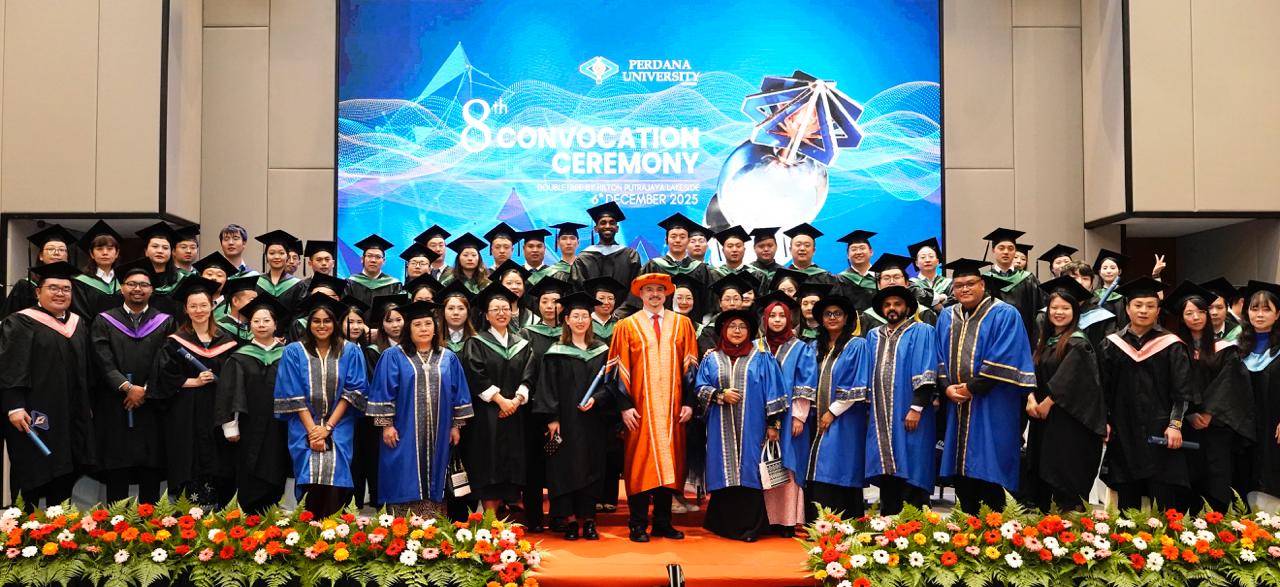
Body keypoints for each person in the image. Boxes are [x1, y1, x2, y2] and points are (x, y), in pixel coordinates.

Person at [936, 259, 1036, 512]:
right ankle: (966, 521)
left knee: (991, 463)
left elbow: (1006, 357)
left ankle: (995, 523)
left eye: (970, 283)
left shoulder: (1005, 314)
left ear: (982, 284)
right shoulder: (947, 316)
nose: (964, 289)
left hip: (994, 401)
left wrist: (971, 388)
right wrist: (947, 387)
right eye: (958, 285)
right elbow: (938, 356)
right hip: (957, 403)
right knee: (962, 468)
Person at [607, 273, 699, 542]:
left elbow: (691, 367)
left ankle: (662, 523)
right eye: (649, 290)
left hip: (672, 409)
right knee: (639, 464)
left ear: (667, 293)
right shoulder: (626, 326)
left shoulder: (682, 324)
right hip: (640, 409)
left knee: (670, 464)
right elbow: (617, 369)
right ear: (640, 294)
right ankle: (637, 524)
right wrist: (624, 407)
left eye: (660, 289)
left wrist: (688, 403)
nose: (655, 294)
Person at [0, 262, 95, 509]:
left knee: (66, 469)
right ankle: (24, 526)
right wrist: (14, 406)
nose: (60, 293)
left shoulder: (78, 324)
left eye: (66, 289)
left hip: (70, 413)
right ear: (38, 292)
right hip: (33, 412)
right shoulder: (20, 322)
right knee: (30, 469)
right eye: (53, 288)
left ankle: (59, 524)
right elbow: (11, 366)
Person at [369, 300, 474, 518]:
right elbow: (384, 390)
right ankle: (401, 527)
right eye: (417, 325)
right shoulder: (393, 356)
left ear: (435, 328)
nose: (424, 329)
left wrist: (456, 425)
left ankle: (432, 528)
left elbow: (458, 393)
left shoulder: (448, 358)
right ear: (409, 329)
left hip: (440, 432)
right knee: (403, 474)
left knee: (437, 476)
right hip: (402, 431)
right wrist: (387, 425)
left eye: (428, 324)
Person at [1098, 277, 1192, 510]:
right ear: (1127, 308)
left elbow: (1181, 390)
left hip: (1160, 429)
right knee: (1126, 499)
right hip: (1123, 430)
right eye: (1138, 305)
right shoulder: (1111, 344)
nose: (1143, 310)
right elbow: (1102, 388)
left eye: (1150, 306)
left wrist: (1175, 424)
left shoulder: (1171, 344)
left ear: (1158, 311)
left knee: (1163, 496)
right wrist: (1103, 421)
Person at [275, 293, 370, 517]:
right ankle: (309, 532)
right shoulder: (293, 351)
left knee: (336, 478)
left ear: (335, 323)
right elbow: (292, 393)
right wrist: (314, 432)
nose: (322, 325)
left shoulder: (351, 351)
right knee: (309, 478)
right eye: (316, 321)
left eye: (327, 321)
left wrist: (327, 429)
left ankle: (333, 532)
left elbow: (353, 392)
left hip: (339, 426)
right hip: (303, 427)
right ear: (308, 324)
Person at [148, 276, 240, 507]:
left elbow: (236, 379)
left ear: (212, 307)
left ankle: (220, 517)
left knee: (219, 462)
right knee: (188, 460)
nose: (199, 310)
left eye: (203, 305)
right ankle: (187, 517)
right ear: (186, 310)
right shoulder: (175, 342)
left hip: (217, 412)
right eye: (193, 306)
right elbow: (162, 378)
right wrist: (194, 381)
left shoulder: (227, 341)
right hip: (185, 413)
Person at [695, 309, 785, 542]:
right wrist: (719, 394)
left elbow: (774, 391)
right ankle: (723, 525)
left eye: (742, 327)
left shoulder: (762, 358)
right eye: (732, 326)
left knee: (750, 470)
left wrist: (773, 424)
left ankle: (750, 527)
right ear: (723, 330)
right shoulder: (712, 358)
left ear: (750, 331)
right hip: (720, 426)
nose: (737, 331)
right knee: (723, 468)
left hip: (753, 427)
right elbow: (699, 388)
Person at [90, 260, 174, 503]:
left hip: (151, 404)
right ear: (122, 288)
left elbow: (167, 360)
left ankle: (151, 522)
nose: (137, 289)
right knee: (117, 467)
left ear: (152, 290)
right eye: (132, 284)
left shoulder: (165, 321)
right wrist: (126, 387)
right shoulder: (104, 320)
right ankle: (114, 523)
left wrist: (145, 389)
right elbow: (101, 358)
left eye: (144, 285)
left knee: (151, 468)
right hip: (115, 403)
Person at [532, 292, 614, 540]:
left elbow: (611, 384)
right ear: (566, 320)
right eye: (575, 316)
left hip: (593, 421)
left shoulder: (602, 350)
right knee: (563, 468)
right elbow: (546, 387)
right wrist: (552, 418)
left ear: (590, 319)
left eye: (584, 316)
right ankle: (568, 520)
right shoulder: (555, 352)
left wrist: (597, 399)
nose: (580, 321)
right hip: (565, 422)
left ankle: (588, 520)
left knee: (592, 466)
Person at [1166, 281, 1253, 513]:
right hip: (1185, 427)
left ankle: (1217, 527)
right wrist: (1189, 414)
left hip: (1217, 425)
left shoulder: (1225, 349)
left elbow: (1229, 383)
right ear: (1181, 317)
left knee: (1217, 479)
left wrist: (1208, 412)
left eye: (1201, 312)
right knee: (1187, 482)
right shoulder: (1174, 348)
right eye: (1189, 313)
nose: (1196, 317)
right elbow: (1171, 385)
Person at [1023, 277, 1105, 512]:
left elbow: (1070, 379)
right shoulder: (1045, 341)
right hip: (1044, 422)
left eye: (1065, 308)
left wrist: (1047, 403)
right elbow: (1032, 373)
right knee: (1042, 474)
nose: (1059, 313)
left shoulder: (1079, 343)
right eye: (1054, 308)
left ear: (1075, 311)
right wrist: (1030, 398)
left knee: (1064, 476)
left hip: (1068, 423)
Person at [864, 285, 939, 515]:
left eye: (897, 304)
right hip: (881, 416)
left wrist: (916, 407)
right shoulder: (873, 335)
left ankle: (916, 526)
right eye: (887, 305)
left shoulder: (922, 331)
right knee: (887, 472)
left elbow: (927, 370)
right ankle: (888, 523)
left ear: (907, 307)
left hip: (911, 411)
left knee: (913, 463)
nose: (892, 308)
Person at [461, 283, 534, 519]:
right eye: (495, 309)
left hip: (515, 413)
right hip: (487, 415)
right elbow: (475, 374)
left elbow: (529, 374)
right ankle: (490, 518)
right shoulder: (476, 342)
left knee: (510, 464)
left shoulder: (522, 343)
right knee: (488, 463)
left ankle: (503, 518)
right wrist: (501, 400)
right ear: (486, 315)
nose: (501, 313)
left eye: (505, 309)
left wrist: (517, 400)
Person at [217, 295, 291, 514]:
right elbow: (229, 392)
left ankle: (273, 516)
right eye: (256, 321)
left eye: (266, 320)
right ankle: (249, 517)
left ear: (275, 325)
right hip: (248, 425)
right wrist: (230, 426)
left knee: (276, 466)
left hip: (280, 424)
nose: (261, 325)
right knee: (249, 470)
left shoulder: (287, 355)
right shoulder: (240, 357)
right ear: (250, 325)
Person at [804, 295, 870, 520]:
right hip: (815, 417)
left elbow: (857, 382)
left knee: (839, 463)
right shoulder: (815, 347)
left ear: (846, 318)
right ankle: (818, 521)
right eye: (827, 314)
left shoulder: (857, 345)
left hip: (845, 417)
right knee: (818, 464)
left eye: (837, 314)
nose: (832, 318)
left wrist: (832, 411)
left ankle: (844, 521)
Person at [754, 292, 815, 535]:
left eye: (782, 316)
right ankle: (765, 519)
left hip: (791, 417)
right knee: (762, 464)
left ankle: (787, 520)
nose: (777, 320)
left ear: (790, 319)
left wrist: (799, 417)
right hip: (758, 416)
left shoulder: (800, 348)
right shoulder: (756, 347)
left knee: (788, 464)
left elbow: (805, 383)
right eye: (773, 316)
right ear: (765, 319)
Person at [1238, 281, 1280, 505]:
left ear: (1278, 314)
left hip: (1274, 426)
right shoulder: (1238, 348)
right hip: (1244, 428)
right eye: (1254, 309)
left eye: (1266, 309)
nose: (1260, 315)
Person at [627, 213, 714, 318]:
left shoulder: (700, 269)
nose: (678, 240)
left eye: (682, 237)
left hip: (693, 324)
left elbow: (709, 302)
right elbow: (636, 300)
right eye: (673, 236)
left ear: (688, 241)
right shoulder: (653, 266)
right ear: (666, 240)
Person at [571, 202, 641, 308]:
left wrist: (620, 313)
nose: (607, 226)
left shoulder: (630, 256)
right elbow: (578, 290)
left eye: (611, 223)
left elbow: (636, 289)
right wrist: (593, 314)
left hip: (624, 315)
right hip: (591, 316)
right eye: (603, 223)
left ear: (617, 228)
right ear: (596, 228)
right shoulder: (583, 259)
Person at [3, 224, 75, 319]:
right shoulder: (25, 285)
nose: (56, 253)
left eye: (62, 250)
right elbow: (9, 318)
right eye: (51, 249)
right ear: (41, 256)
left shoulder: (77, 285)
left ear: (67, 257)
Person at [981, 228, 1042, 339]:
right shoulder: (984, 280)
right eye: (1001, 248)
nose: (1006, 252)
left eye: (1010, 248)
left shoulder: (1028, 279)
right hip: (993, 337)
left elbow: (1040, 308)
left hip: (1023, 336)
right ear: (993, 250)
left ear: (1015, 251)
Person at [862, 254, 937, 328]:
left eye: (896, 277)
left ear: (907, 283)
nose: (892, 282)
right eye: (886, 278)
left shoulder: (923, 313)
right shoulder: (868, 317)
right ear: (879, 284)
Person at [73, 220, 123, 320]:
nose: (105, 253)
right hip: (93, 329)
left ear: (116, 253)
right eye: (99, 249)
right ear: (92, 254)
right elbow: (81, 313)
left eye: (110, 249)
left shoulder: (124, 280)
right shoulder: (80, 282)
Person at [134, 222, 183, 312]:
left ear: (171, 252)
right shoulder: (133, 278)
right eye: (155, 246)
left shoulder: (180, 280)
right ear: (146, 251)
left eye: (165, 248)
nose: (160, 251)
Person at [254, 230, 306, 314]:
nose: (277, 257)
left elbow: (300, 314)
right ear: (266, 257)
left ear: (287, 257)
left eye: (281, 253)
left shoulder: (298, 285)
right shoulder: (257, 283)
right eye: (272, 253)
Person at [346, 234, 402, 309]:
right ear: (362, 259)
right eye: (369, 256)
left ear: (383, 261)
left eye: (378, 257)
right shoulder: (350, 283)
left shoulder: (394, 284)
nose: (373, 260)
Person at [783, 223, 840, 292]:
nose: (802, 248)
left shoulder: (827, 278)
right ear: (790, 250)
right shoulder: (782, 277)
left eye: (807, 245)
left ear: (814, 251)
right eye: (798, 245)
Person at [835, 230, 877, 312]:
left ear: (871, 252)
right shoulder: (840, 280)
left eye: (862, 248)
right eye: (853, 249)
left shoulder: (882, 277)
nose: (858, 252)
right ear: (847, 255)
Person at [907, 237, 951, 313]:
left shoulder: (948, 283)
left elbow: (955, 301)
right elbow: (918, 298)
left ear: (937, 261)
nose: (927, 260)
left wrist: (941, 306)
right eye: (923, 257)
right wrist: (941, 297)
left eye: (931, 256)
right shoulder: (911, 284)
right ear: (916, 263)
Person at [213, 276, 259, 342]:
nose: (256, 304)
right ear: (235, 301)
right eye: (252, 300)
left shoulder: (256, 328)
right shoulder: (219, 329)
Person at [1092, 249, 1129, 326]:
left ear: (1119, 271)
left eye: (1112, 268)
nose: (1108, 271)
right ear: (1099, 272)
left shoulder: (1126, 294)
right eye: (1105, 268)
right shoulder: (1093, 295)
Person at [1202, 277, 1244, 342]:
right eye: (1209, 308)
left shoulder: (1238, 333)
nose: (1214, 312)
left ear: (1227, 309)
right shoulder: (1195, 333)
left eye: (1219, 307)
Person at [585, 276, 623, 345]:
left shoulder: (620, 325)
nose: (606, 302)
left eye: (610, 298)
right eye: (601, 298)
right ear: (593, 300)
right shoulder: (584, 323)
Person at [439, 281, 476, 353]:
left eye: (461, 308)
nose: (456, 313)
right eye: (450, 308)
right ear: (443, 312)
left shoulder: (477, 341)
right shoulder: (433, 339)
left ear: (468, 312)